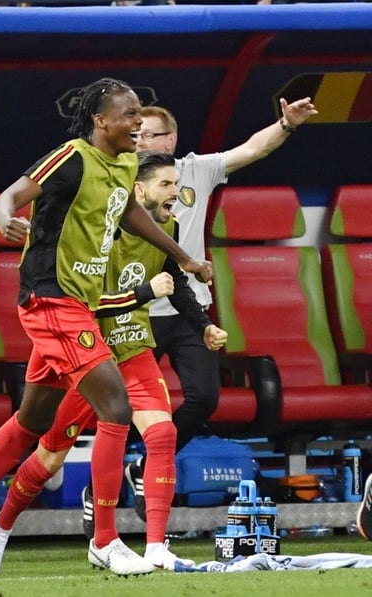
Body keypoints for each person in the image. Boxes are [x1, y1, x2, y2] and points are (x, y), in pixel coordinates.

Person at [0, 78, 211, 576]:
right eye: (129, 115)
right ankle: (105, 539)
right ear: (101, 120)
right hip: (50, 299)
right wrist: (1, 217)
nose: (138, 124)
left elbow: (126, 212)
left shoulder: (124, 164)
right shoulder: (72, 156)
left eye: (141, 114)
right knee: (116, 407)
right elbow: (11, 195)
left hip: (79, 305)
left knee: (33, 422)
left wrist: (183, 256)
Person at [0, 151, 228, 575]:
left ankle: (156, 546)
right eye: (166, 185)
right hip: (88, 358)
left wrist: (202, 325)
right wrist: (145, 292)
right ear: (139, 190)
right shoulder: (98, 236)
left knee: (162, 433)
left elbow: (177, 281)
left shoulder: (168, 229)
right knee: (49, 457)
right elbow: (86, 307)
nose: (176, 195)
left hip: (133, 350)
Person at [128, 97, 318, 511]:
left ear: (171, 138)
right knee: (118, 406)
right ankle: (115, 478)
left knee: (205, 398)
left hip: (188, 308)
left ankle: (146, 465)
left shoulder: (196, 169)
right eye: (136, 134)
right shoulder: (115, 177)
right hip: (135, 308)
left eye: (150, 134)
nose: (141, 141)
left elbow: (252, 149)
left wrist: (286, 125)